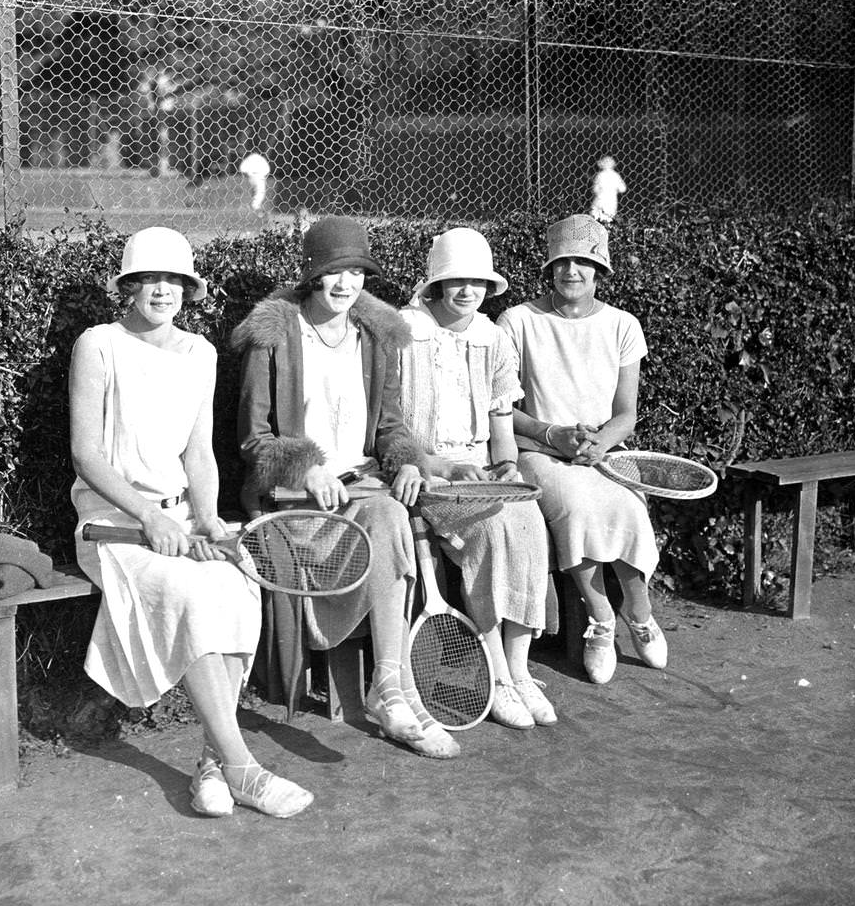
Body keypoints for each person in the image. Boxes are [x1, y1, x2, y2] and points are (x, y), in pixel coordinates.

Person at [70, 226, 312, 818]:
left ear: (188, 288)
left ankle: (210, 760)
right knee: (188, 594)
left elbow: (199, 452)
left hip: (179, 520)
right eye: (149, 279)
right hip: (111, 525)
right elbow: (87, 455)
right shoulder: (97, 344)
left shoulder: (200, 353)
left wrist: (206, 519)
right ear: (127, 288)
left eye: (173, 280)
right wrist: (149, 516)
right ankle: (242, 768)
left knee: (237, 583)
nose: (162, 290)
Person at [232, 216, 457, 759]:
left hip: (366, 489)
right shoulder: (274, 336)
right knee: (387, 520)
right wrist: (306, 468)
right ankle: (394, 691)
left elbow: (391, 426)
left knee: (388, 514)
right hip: (297, 501)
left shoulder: (376, 336)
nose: (345, 284)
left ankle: (386, 686)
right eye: (334, 272)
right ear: (312, 275)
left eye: (357, 272)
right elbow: (253, 439)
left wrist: (406, 461)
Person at [497, 214, 668, 685]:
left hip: (603, 454)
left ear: (600, 270)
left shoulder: (623, 325)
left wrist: (599, 444)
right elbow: (502, 409)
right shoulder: (517, 321)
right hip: (540, 453)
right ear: (550, 268)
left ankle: (639, 612)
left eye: (584, 261)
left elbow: (626, 413)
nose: (572, 270)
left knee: (629, 505)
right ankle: (601, 619)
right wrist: (555, 436)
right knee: (574, 507)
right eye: (562, 261)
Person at [397, 228, 557, 729]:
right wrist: (432, 465)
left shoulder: (492, 336)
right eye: (456, 281)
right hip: (429, 475)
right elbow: (389, 424)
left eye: (477, 282)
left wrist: (506, 466)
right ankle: (496, 675)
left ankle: (520, 669)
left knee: (527, 520)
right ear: (436, 285)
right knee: (491, 531)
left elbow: (501, 425)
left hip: (483, 470)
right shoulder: (405, 331)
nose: (467, 291)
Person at [589, 155, 627, 224]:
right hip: (611, 201)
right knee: (608, 221)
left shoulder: (600, 175)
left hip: (600, 200)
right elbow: (623, 189)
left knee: (595, 220)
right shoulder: (616, 175)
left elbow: (595, 189)